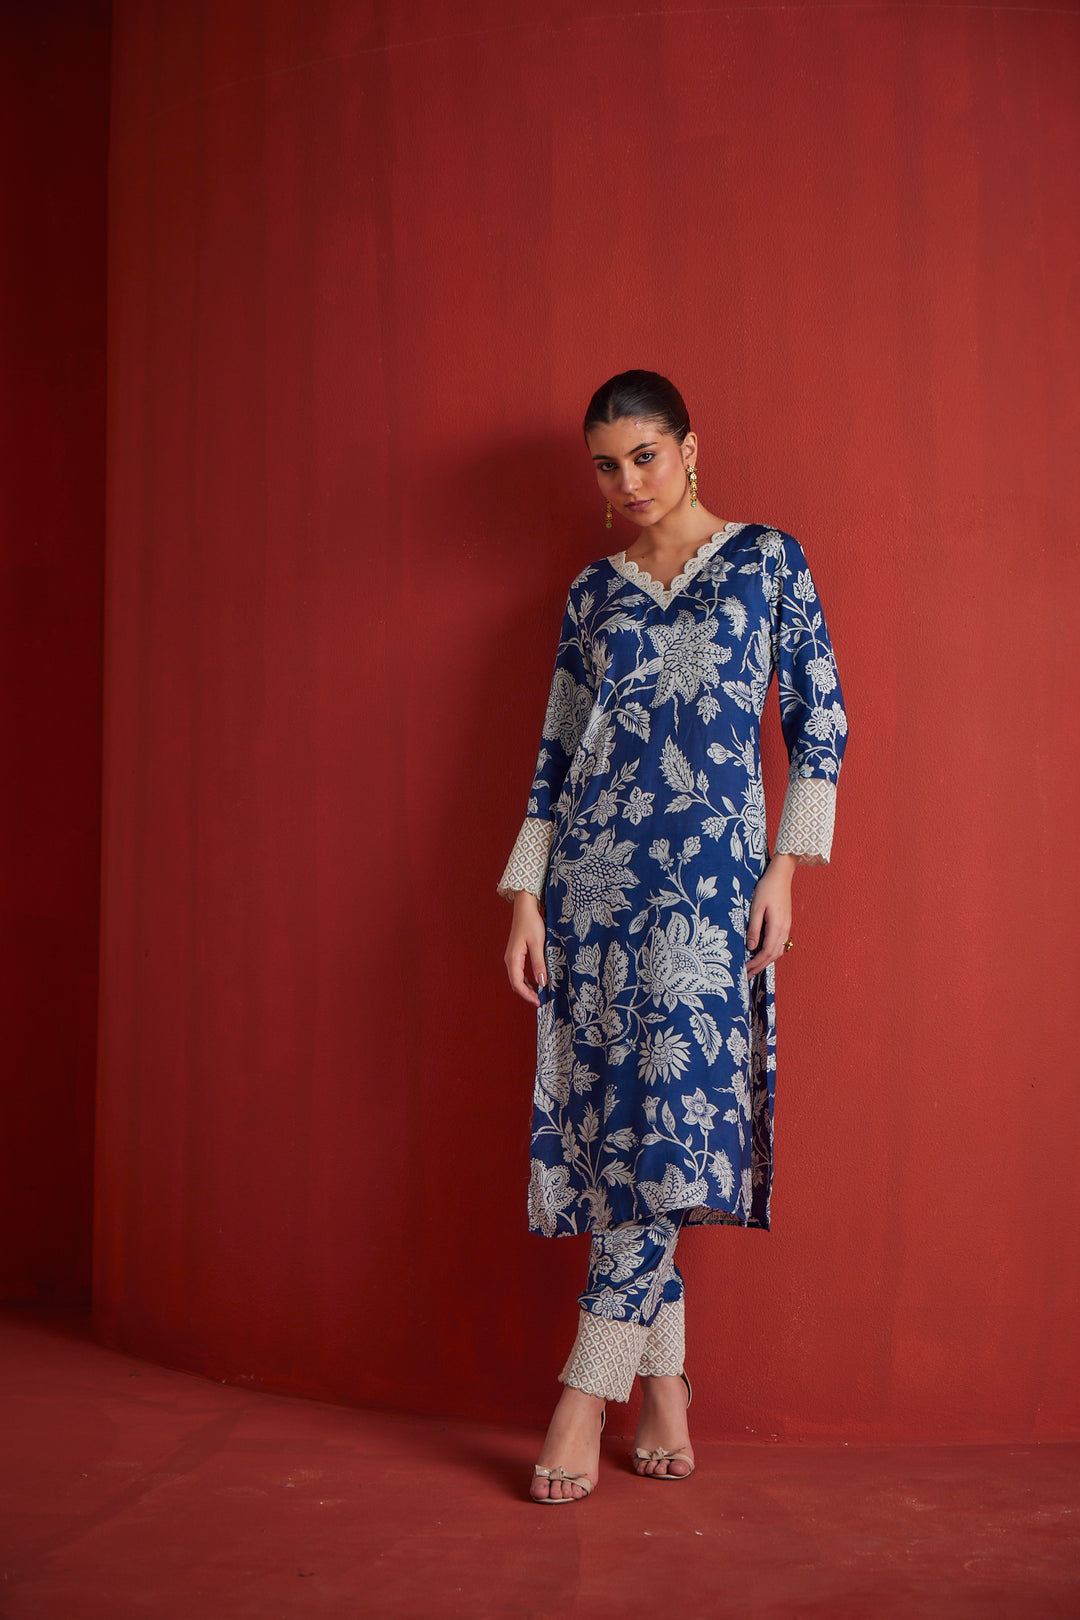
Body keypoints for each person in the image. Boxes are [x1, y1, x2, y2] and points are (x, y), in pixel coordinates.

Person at [498, 371, 848, 1503]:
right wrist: (524, 895)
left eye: (645, 455)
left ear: (690, 448)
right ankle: (664, 1389)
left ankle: (582, 1393)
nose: (628, 481)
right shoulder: (591, 594)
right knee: (623, 1136)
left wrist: (786, 869)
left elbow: (823, 721)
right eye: (607, 465)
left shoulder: (769, 561)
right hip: (594, 889)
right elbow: (557, 751)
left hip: (709, 895)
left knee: (671, 1127)